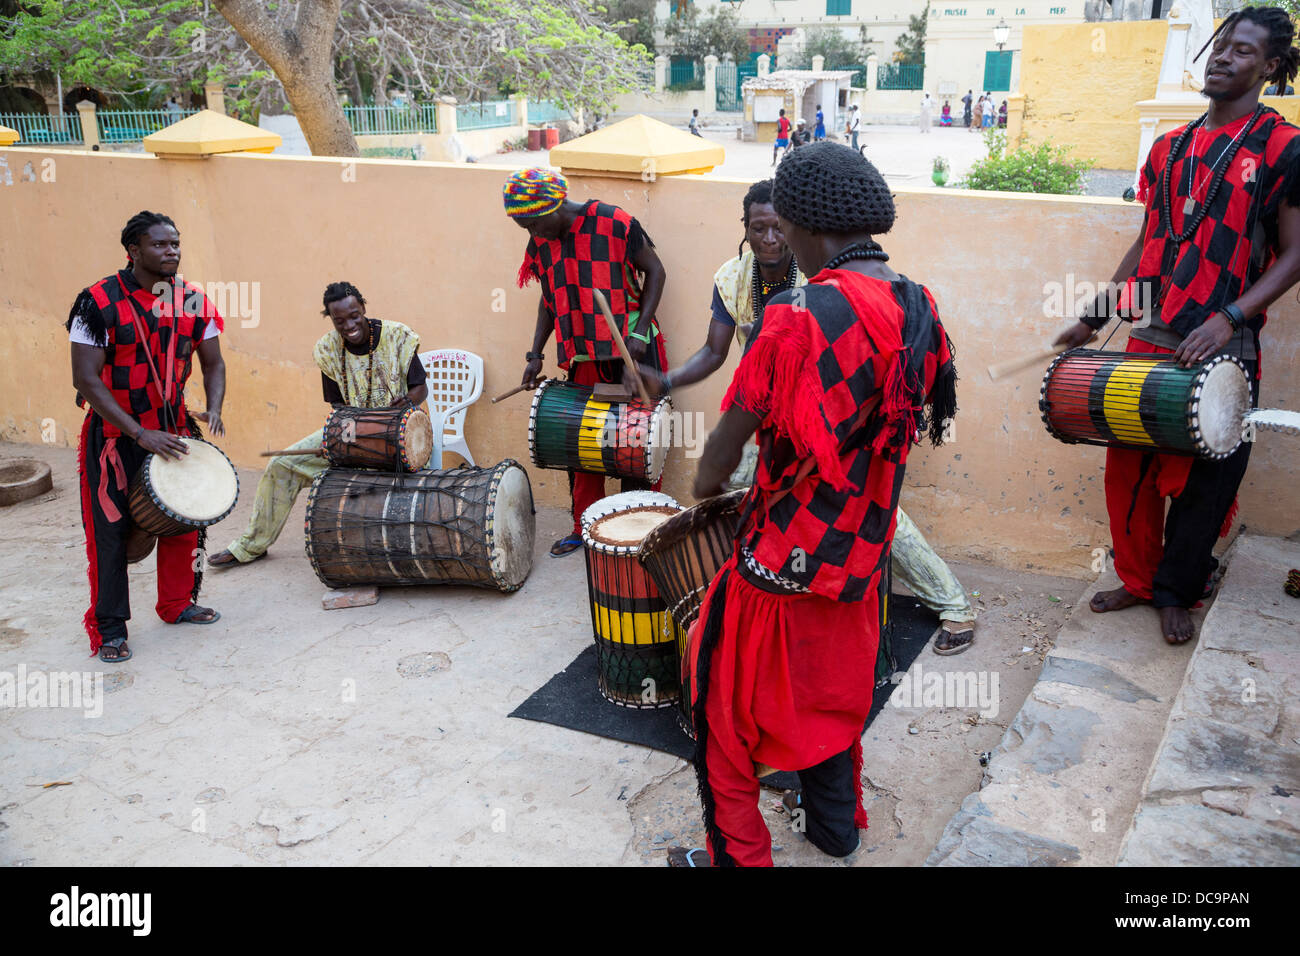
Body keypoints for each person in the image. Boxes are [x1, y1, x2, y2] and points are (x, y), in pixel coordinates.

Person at [667, 143, 957, 867]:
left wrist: (705, 490)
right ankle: (835, 829)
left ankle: (739, 856)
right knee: (833, 698)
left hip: (780, 563)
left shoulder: (796, 315)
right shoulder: (917, 302)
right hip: (861, 558)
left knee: (720, 713)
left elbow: (723, 453)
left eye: (782, 225)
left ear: (798, 221)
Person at [644, 179, 977, 655]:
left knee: (876, 515)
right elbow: (715, 352)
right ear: (746, 229)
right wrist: (669, 379)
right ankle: (744, 600)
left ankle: (954, 603)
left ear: (797, 228)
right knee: (735, 493)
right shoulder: (732, 278)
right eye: (758, 228)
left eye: (778, 228)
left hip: (833, 424)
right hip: (771, 425)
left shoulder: (822, 274)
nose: (770, 239)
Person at [1053, 6, 1300, 645]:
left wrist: (1228, 318)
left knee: (1204, 477)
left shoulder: (1283, 148)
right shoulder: (1169, 147)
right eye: (1221, 46)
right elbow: (1150, 241)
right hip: (1152, 333)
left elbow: (1297, 253)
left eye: (1243, 51)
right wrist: (1095, 313)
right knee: (1127, 467)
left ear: (1270, 66)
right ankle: (1138, 580)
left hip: (1224, 339)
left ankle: (1178, 590)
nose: (1222, 57)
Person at [68, 211, 227, 663]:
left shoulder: (192, 300)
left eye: (175, 243)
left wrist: (213, 406)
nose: (171, 251)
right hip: (116, 434)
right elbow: (86, 379)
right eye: (159, 244)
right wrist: (140, 432)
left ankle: (176, 603)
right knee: (110, 532)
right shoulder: (96, 303)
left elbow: (213, 361)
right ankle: (110, 628)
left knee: (186, 521)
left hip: (174, 428)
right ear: (133, 251)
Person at [505, 167, 671, 556]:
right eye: (522, 227)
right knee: (582, 448)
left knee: (636, 443)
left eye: (531, 223)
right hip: (582, 354)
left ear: (554, 206)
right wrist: (534, 354)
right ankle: (586, 527)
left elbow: (656, 272)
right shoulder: (542, 242)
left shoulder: (614, 222)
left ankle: (639, 531)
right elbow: (548, 299)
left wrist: (640, 330)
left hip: (635, 351)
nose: (531, 233)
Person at [208, 283, 426, 570]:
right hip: (351, 431)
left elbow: (420, 387)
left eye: (354, 316)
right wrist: (340, 441)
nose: (349, 325)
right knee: (281, 466)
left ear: (363, 308)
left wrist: (407, 401)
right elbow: (337, 406)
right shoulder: (327, 350)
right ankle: (251, 545)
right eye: (340, 321)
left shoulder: (398, 336)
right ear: (331, 319)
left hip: (400, 436)